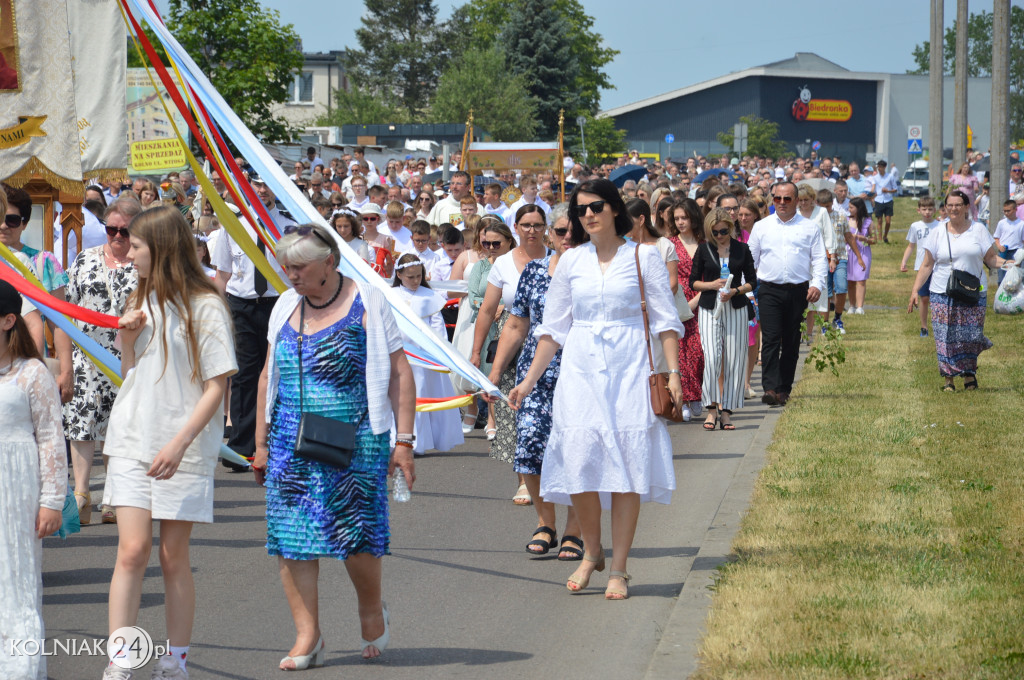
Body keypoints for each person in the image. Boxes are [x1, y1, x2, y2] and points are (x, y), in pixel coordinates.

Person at [508, 179, 684, 600]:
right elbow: (552, 329)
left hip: (630, 369)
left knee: (627, 467)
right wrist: (528, 382)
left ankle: (619, 569)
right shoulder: (570, 263)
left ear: (615, 209)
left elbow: (665, 321)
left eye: (597, 206)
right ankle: (591, 552)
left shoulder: (643, 257)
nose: (588, 214)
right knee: (580, 463)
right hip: (581, 369)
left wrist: (674, 373)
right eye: (581, 208)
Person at [253, 223, 416, 670]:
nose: (290, 274)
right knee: (292, 539)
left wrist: (403, 441)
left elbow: (400, 374)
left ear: (331, 261)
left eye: (300, 267)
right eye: (286, 266)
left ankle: (370, 607)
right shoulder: (285, 304)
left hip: (358, 440)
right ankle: (308, 635)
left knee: (356, 535)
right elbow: (269, 374)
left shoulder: (368, 299)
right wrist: (261, 442)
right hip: (290, 439)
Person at [101, 207, 237, 680]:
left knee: (171, 555)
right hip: (133, 437)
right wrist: (127, 342)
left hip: (184, 446)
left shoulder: (206, 304)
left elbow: (217, 385)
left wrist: (180, 444)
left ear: (160, 246)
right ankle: (120, 661)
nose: (128, 252)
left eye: (135, 244)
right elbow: (132, 374)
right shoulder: (140, 294)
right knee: (131, 551)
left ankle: (174, 660)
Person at [487, 212, 582, 560]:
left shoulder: (590, 273)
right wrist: (495, 373)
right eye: (561, 231)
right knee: (528, 446)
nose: (568, 237)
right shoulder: (534, 272)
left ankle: (575, 531)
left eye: (575, 231)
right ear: (550, 235)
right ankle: (546, 523)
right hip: (535, 375)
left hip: (580, 372)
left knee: (576, 451)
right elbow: (515, 325)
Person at [0, 280, 65, 680]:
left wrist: (52, 500)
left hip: (17, 487)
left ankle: (18, 669)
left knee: (17, 576)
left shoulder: (32, 373)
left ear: (9, 320)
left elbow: (51, 438)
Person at [64, 197, 142, 525]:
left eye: (125, 231)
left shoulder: (143, 266)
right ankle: (82, 493)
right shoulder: (84, 259)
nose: (118, 236)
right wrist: (65, 362)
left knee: (116, 427)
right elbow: (65, 311)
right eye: (112, 229)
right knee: (81, 425)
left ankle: (112, 494)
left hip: (126, 358)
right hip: (85, 356)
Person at [212, 175, 294, 471]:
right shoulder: (233, 225)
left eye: (267, 184)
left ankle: (278, 444)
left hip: (279, 305)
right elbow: (223, 275)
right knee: (245, 376)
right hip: (242, 306)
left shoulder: (289, 226)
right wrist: (217, 314)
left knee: (279, 374)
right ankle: (241, 448)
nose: (262, 190)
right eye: (256, 185)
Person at [472, 205, 551, 502]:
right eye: (526, 225)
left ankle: (550, 472)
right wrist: (477, 352)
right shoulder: (503, 263)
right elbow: (488, 309)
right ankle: (524, 480)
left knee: (547, 411)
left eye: (537, 225)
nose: (532, 230)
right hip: (511, 338)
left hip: (549, 340)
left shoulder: (557, 259)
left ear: (545, 228)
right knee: (512, 407)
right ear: (516, 227)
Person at [908, 191, 1010, 392]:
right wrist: (915, 290)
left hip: (973, 291)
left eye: (958, 205)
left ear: (966, 207)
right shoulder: (937, 231)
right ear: (945, 208)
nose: (953, 209)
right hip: (942, 291)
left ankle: (968, 372)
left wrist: (1009, 264)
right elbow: (927, 264)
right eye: (950, 205)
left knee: (971, 336)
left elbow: (990, 258)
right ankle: (949, 379)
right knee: (945, 336)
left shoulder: (978, 230)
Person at [747, 181, 827, 407]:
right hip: (769, 289)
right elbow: (750, 260)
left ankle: (784, 388)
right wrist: (747, 289)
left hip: (798, 290)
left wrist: (817, 285)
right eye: (777, 198)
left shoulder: (809, 227)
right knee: (771, 338)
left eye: (787, 199)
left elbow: (819, 259)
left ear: (796, 200)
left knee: (791, 341)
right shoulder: (762, 227)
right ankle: (770, 388)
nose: (782, 203)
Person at [690, 207, 757, 431]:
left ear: (731, 227)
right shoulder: (704, 249)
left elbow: (753, 282)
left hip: (735, 306)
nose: (720, 235)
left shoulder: (742, 249)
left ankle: (727, 412)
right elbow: (693, 282)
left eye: (724, 231)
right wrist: (712, 285)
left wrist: (735, 291)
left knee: (735, 360)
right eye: (715, 232)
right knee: (711, 357)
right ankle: (711, 409)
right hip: (710, 307)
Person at [392, 253, 463, 454]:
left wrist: (438, 351)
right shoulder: (391, 296)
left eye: (418, 276)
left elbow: (438, 327)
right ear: (399, 274)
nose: (415, 281)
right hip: (400, 352)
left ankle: (418, 442)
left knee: (421, 393)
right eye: (410, 277)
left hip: (423, 356)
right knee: (400, 396)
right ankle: (398, 438)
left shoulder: (429, 296)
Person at [666, 199, 705, 420]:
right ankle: (686, 400)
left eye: (684, 218)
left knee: (700, 352)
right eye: (677, 218)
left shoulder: (704, 243)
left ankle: (697, 393)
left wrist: (697, 299)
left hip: (702, 301)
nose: (681, 222)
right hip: (677, 302)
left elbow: (711, 275)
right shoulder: (669, 244)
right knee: (681, 353)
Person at [796, 184, 836, 340]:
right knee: (799, 298)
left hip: (817, 260)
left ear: (812, 199)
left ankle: (809, 333)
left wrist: (832, 257)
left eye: (807, 200)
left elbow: (829, 235)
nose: (804, 203)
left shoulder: (821, 212)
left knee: (814, 297)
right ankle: (799, 331)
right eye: (801, 200)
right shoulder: (795, 214)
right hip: (799, 261)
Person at [901, 197, 941, 336]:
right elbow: (911, 245)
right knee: (924, 297)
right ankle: (924, 327)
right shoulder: (915, 226)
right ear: (919, 210)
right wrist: (904, 261)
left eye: (930, 209)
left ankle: (939, 325)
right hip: (922, 266)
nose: (927, 212)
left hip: (938, 266)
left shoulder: (940, 225)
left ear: (935, 210)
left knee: (938, 298)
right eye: (924, 209)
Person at [845, 197, 876, 315]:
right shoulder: (846, 220)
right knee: (850, 280)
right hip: (849, 251)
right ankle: (851, 306)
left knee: (861, 279)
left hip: (863, 252)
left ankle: (860, 306)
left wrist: (865, 238)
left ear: (859, 208)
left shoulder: (868, 221)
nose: (849, 209)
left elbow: (874, 239)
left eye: (852, 207)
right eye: (849, 207)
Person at [993, 199, 1023, 285]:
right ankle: (1001, 290)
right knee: (1002, 274)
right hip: (1004, 251)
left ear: (1015, 209)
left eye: (1008, 211)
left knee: (1016, 274)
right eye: (1004, 211)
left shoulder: (1021, 224)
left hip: (1016, 252)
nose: (1006, 213)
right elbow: (996, 237)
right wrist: (999, 246)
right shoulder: (1002, 223)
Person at [870, 160, 898, 242]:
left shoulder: (890, 176)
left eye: (881, 167)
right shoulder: (875, 178)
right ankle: (879, 238)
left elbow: (895, 189)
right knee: (879, 220)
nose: (879, 169)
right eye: (878, 167)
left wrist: (888, 191)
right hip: (878, 200)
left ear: (885, 167)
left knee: (888, 221)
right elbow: (873, 189)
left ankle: (885, 236)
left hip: (888, 200)